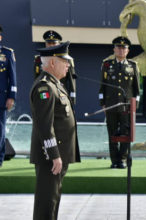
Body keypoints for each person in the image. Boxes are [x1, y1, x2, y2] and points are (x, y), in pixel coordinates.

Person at [30, 41, 80, 220]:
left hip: (58, 155)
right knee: (46, 203)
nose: (68, 64)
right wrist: (54, 154)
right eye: (64, 61)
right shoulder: (45, 87)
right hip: (50, 157)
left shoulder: (56, 84)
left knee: (53, 200)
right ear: (52, 63)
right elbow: (45, 125)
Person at [99, 36, 140, 169]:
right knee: (112, 133)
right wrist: (102, 103)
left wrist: (135, 106)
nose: (121, 50)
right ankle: (114, 160)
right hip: (111, 105)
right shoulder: (107, 65)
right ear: (114, 49)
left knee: (125, 133)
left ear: (128, 51)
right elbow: (102, 86)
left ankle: (122, 159)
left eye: (124, 48)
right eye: (118, 47)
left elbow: (136, 89)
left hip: (126, 106)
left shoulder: (133, 66)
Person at [34, 30, 77, 105]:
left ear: (59, 44)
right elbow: (36, 80)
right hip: (45, 96)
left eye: (54, 43)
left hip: (61, 96)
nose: (51, 46)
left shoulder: (66, 60)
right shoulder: (39, 59)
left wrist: (71, 101)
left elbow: (71, 82)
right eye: (49, 43)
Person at [0, 25, 17, 167]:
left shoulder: (7, 53)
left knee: (0, 131)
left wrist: (12, 97)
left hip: (1, 99)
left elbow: (12, 77)